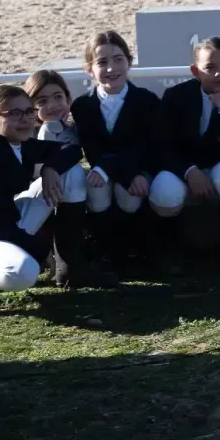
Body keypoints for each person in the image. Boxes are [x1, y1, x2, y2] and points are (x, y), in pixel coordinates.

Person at [0, 86, 97, 316]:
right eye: (13, 113)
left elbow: (71, 149)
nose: (25, 119)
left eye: (29, 111)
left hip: (4, 220)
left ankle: (69, 265)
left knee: (70, 174)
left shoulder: (18, 144)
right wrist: (38, 249)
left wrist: (51, 167)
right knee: (23, 271)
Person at [157, 37, 220, 274]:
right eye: (210, 68)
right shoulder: (175, 97)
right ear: (195, 71)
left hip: (219, 166)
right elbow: (162, 143)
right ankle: (171, 251)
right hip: (183, 168)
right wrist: (189, 171)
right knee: (164, 190)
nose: (219, 74)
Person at [70, 31, 165, 272]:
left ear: (129, 62)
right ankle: (106, 252)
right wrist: (107, 168)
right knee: (96, 190)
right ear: (89, 69)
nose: (111, 68)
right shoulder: (82, 105)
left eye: (118, 59)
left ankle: (138, 250)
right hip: (100, 168)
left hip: (135, 168)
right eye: (102, 62)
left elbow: (146, 144)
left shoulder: (147, 100)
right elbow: (91, 146)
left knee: (130, 193)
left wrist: (131, 173)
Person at [23, 70, 115, 287]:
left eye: (58, 97)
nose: (52, 105)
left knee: (86, 180)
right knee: (72, 173)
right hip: (32, 208)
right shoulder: (29, 133)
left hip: (64, 203)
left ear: (68, 99)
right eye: (42, 101)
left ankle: (75, 262)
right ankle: (58, 262)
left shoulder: (74, 130)